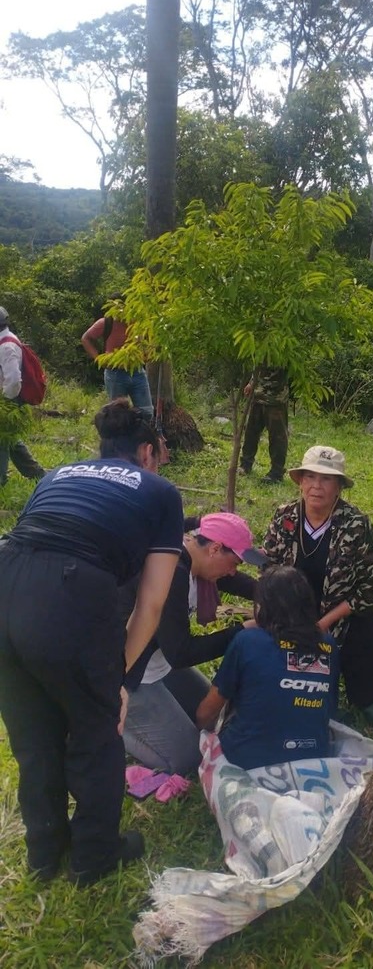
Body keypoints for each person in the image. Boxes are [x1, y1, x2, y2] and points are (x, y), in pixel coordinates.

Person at [0, 399, 183, 886]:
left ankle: (44, 853)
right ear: (146, 451)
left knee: (34, 736)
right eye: (160, 454)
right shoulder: (161, 492)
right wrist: (115, 677)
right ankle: (93, 857)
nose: (160, 463)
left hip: (6, 583)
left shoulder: (56, 474)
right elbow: (151, 604)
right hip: (71, 591)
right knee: (98, 732)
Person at [121, 512, 265, 776]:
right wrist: (240, 631)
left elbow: (233, 580)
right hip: (128, 673)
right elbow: (180, 652)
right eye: (233, 563)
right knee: (187, 760)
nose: (233, 571)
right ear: (215, 549)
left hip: (158, 662)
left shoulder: (195, 558)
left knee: (213, 719)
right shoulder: (172, 574)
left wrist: (274, 594)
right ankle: (101, 724)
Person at [262, 445, 373, 710]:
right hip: (294, 615)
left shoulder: (356, 525)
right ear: (300, 482)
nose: (316, 486)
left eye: (326, 478)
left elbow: (371, 588)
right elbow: (269, 571)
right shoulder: (285, 517)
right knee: (290, 695)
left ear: (339, 486)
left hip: (346, 617)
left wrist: (325, 623)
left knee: (366, 700)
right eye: (310, 477)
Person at [197, 565, 339, 769]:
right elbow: (329, 709)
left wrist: (198, 730)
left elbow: (208, 710)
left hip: (245, 758)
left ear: (263, 607)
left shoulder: (247, 641)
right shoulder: (328, 645)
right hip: (311, 757)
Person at [81, 297, 154, 420]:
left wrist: (147, 354)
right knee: (117, 414)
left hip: (137, 372)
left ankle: (141, 437)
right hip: (115, 373)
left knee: (146, 412)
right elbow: (85, 338)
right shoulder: (105, 323)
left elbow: (150, 340)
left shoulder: (137, 322)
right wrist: (99, 359)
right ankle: (120, 439)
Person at [0, 305, 45, 486]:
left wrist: (5, 402)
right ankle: (36, 473)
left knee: (2, 439)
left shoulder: (7, 346)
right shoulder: (5, 342)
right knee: (9, 439)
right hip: (6, 398)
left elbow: (13, 381)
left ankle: (1, 479)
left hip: (8, 399)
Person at [239, 366, 289, 483]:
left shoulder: (284, 349)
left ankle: (276, 473)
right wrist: (251, 383)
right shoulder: (260, 349)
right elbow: (258, 366)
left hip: (276, 399)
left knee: (277, 437)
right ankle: (245, 465)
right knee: (251, 433)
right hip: (257, 396)